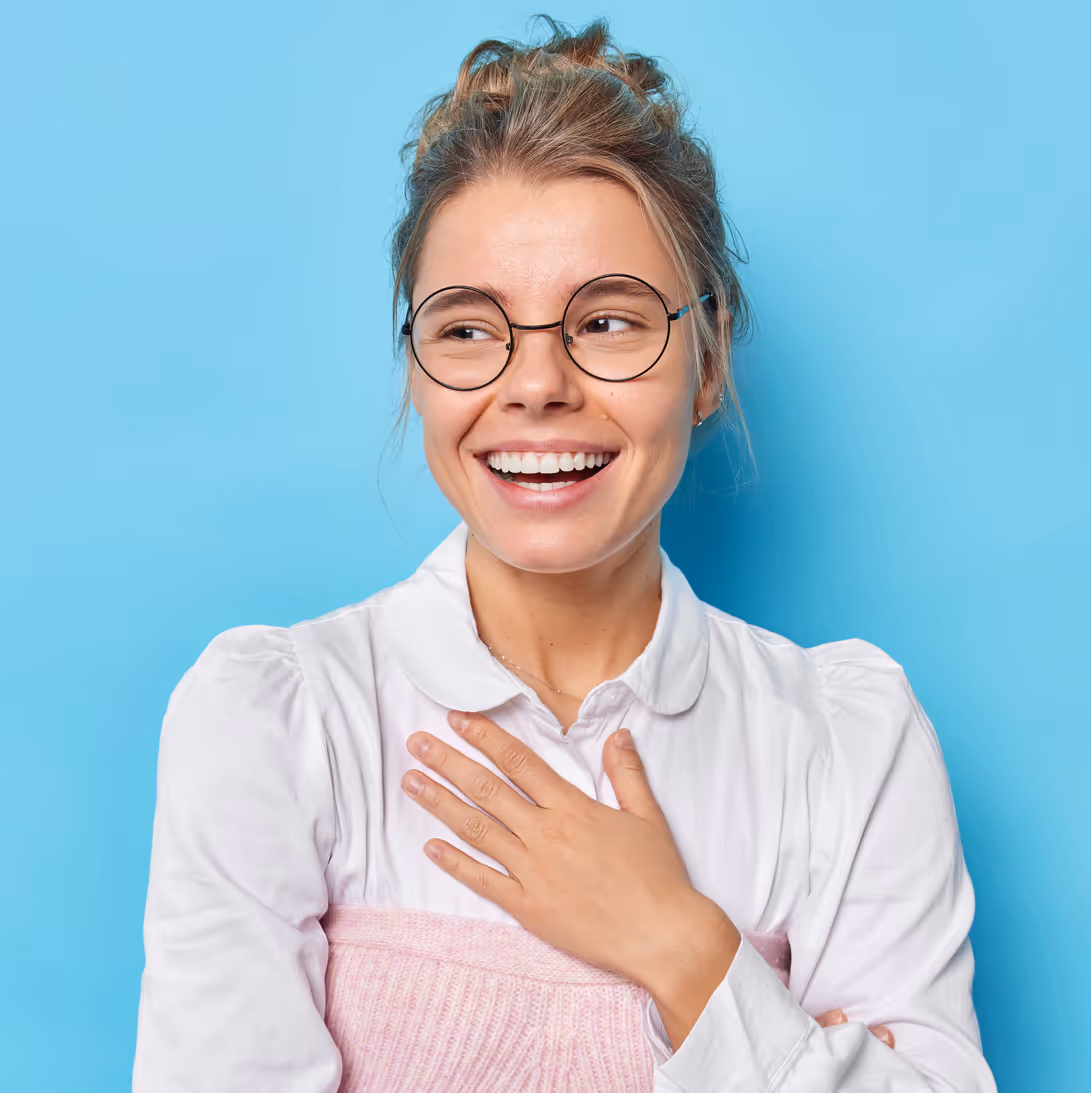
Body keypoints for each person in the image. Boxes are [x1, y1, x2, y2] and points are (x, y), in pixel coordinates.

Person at [133, 19, 996, 1093]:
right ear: (413, 366)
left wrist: (685, 949)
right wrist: (789, 1044)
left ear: (708, 357)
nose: (535, 383)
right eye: (465, 329)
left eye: (607, 322)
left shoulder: (846, 744)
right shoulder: (274, 720)